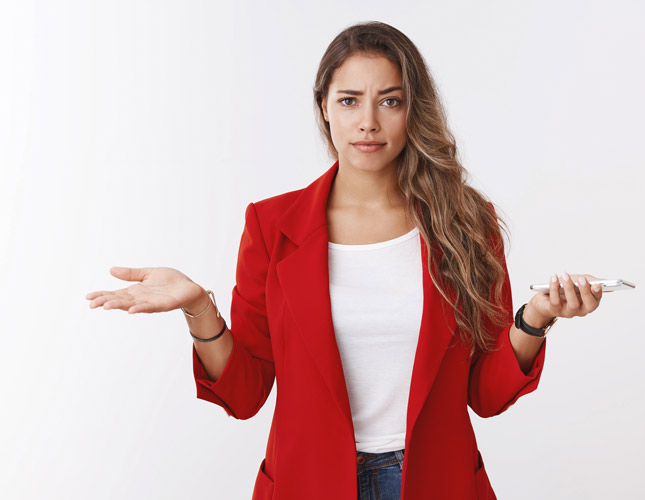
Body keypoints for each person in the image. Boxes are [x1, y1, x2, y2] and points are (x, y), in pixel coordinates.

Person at [86, 21, 604, 500]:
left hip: (436, 482)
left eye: (390, 101)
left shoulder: (466, 221)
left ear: (412, 110)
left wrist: (536, 318)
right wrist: (199, 307)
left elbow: (485, 393)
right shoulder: (272, 226)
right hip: (308, 482)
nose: (368, 123)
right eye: (351, 100)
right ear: (324, 108)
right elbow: (245, 394)